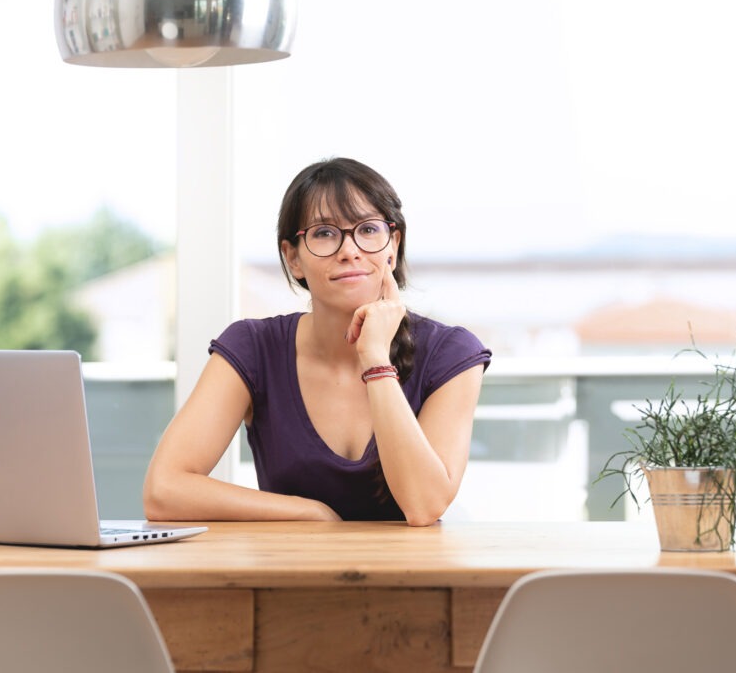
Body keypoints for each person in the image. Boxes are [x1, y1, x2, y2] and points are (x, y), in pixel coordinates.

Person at [143, 157, 491, 526]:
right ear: (292, 257)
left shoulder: (451, 354)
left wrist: (376, 361)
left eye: (369, 230)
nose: (350, 250)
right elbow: (163, 492)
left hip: (415, 579)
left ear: (394, 244)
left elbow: (424, 506)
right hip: (289, 578)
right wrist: (310, 512)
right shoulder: (253, 347)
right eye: (324, 233)